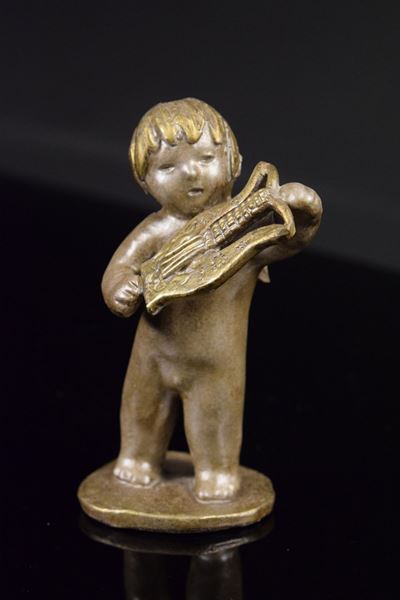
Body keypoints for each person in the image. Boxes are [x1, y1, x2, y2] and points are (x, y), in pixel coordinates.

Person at [101, 98, 322, 501]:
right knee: (141, 410)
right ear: (144, 180)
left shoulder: (246, 227)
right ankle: (137, 459)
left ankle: (217, 472)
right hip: (152, 353)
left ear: (234, 163)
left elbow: (284, 241)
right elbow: (119, 270)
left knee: (216, 417)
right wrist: (121, 288)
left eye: (205, 158)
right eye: (168, 167)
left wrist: (306, 217)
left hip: (217, 360)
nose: (190, 172)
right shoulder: (154, 231)